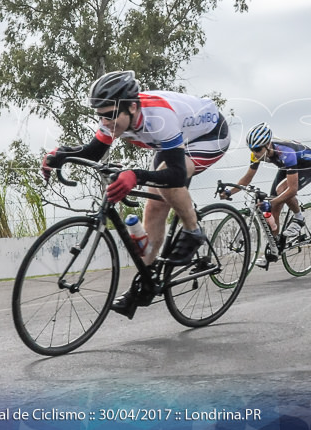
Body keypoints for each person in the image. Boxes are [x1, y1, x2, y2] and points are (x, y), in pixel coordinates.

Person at [41, 71, 230, 318]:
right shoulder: (115, 115)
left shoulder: (159, 117)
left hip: (209, 137)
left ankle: (193, 231)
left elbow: (174, 174)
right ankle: (145, 282)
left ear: (132, 107)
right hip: (172, 141)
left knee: (164, 183)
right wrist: (60, 155)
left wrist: (135, 176)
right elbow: (94, 152)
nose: (105, 122)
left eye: (110, 116)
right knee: (154, 207)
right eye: (100, 116)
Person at [221, 123, 311, 263]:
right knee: (274, 209)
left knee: (281, 192)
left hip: (306, 167)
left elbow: (293, 189)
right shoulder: (257, 153)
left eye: (257, 149)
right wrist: (230, 192)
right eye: (251, 149)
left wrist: (272, 201)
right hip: (286, 166)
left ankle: (299, 217)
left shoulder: (286, 152)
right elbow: (248, 178)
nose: (254, 152)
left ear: (267, 145)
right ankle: (274, 249)